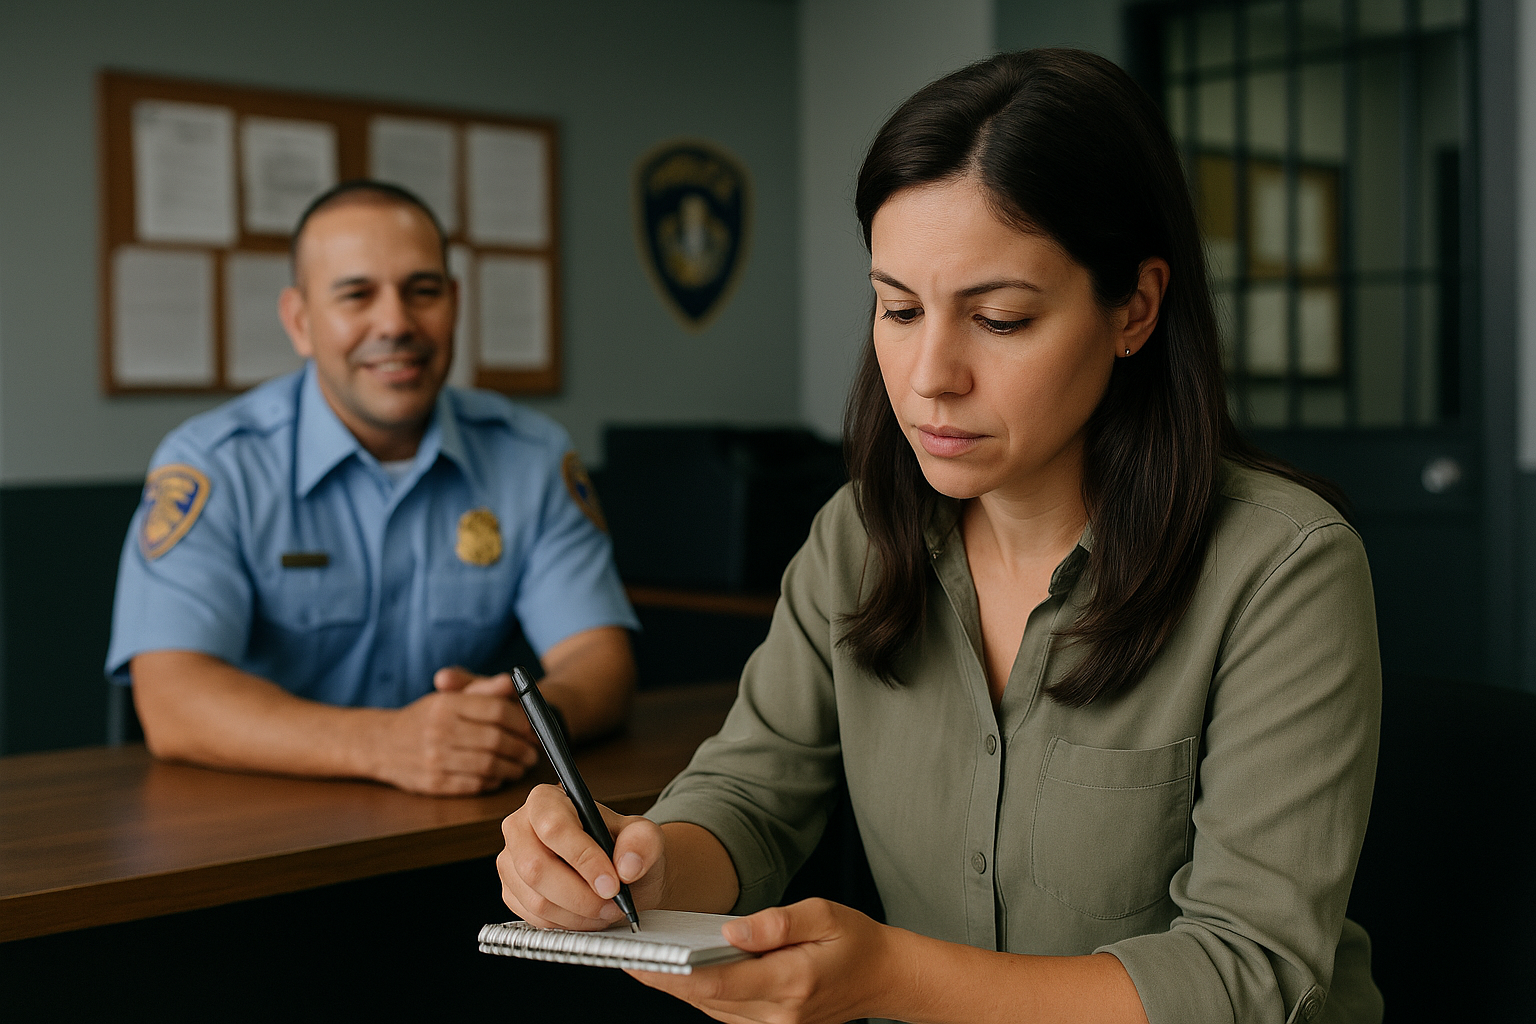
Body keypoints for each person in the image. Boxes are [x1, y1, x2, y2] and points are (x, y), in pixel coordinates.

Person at [495, 49, 1384, 1024]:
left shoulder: (1281, 566)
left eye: (999, 319)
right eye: (899, 309)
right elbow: (750, 792)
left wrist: (889, 977)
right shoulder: (860, 537)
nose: (928, 377)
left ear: (1134, 308)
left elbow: (1249, 975)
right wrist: (639, 860)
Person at [106, 180, 638, 797]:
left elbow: (600, 660)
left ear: (455, 304)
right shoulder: (215, 465)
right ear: (300, 322)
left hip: (471, 832)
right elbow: (171, 699)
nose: (396, 322)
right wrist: (382, 743)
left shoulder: (531, 457)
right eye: (356, 295)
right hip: (258, 834)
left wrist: (519, 724)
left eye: (424, 291)